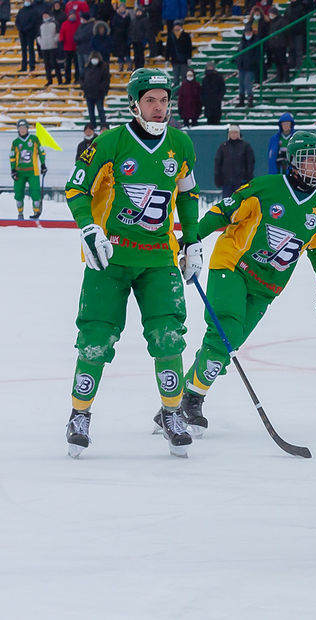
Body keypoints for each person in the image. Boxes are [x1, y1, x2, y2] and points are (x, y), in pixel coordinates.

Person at [63, 69, 202, 458]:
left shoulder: (181, 145)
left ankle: (172, 414)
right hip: (110, 257)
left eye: (164, 101)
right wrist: (89, 228)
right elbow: (76, 187)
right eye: (150, 101)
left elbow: (188, 195)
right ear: (135, 104)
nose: (159, 109)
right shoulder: (109, 143)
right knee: (95, 340)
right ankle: (79, 414)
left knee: (168, 337)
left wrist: (191, 239)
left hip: (158, 258)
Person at [177, 133, 316, 435]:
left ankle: (177, 401)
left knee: (229, 344)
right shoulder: (266, 188)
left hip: (268, 286)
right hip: (233, 266)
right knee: (225, 334)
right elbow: (222, 212)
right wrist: (191, 238)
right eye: (311, 160)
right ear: (293, 162)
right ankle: (192, 399)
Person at [10, 119, 44, 219]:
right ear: (18, 129)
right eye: (20, 128)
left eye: (24, 127)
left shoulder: (34, 139)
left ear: (27, 128)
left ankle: (36, 214)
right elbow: (12, 156)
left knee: (35, 192)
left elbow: (41, 152)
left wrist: (43, 164)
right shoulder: (15, 142)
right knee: (19, 193)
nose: (22, 130)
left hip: (33, 171)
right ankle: (20, 214)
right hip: (19, 172)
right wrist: (13, 169)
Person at [213, 124, 256, 197]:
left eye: (235, 132)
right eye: (231, 132)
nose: (233, 134)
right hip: (226, 182)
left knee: (241, 203)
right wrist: (217, 178)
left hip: (241, 181)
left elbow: (250, 163)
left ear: (239, 134)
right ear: (229, 134)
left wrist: (248, 178)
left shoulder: (245, 146)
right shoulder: (223, 146)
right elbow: (218, 163)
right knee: (227, 204)